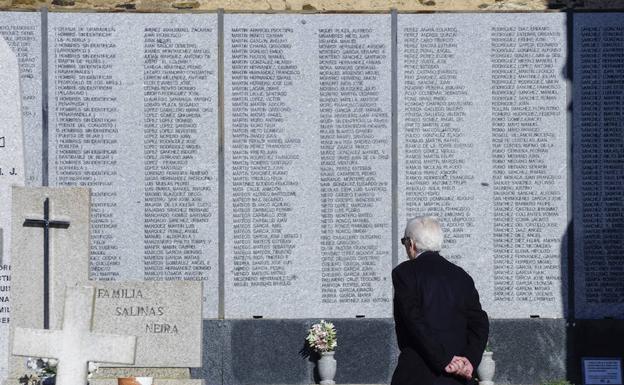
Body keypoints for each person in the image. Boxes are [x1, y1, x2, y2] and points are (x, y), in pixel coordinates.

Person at [391, 216, 489, 385]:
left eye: (404, 242)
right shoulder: (461, 276)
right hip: (457, 379)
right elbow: (480, 323)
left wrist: (446, 360)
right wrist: (469, 361)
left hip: (417, 375)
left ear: (411, 244)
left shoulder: (404, 273)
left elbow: (414, 321)